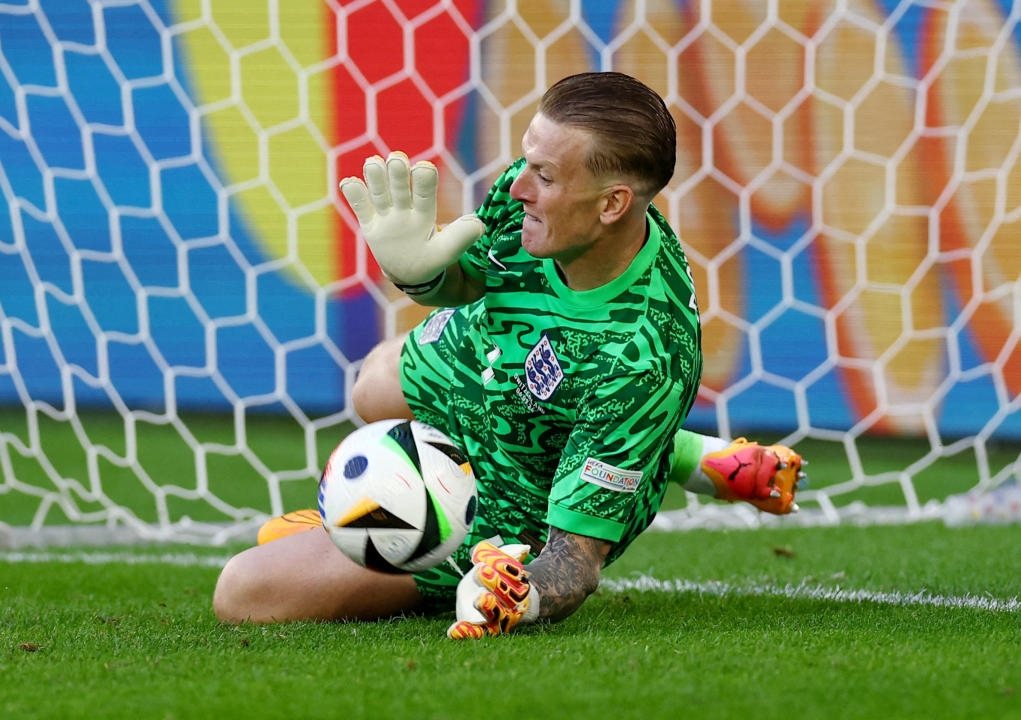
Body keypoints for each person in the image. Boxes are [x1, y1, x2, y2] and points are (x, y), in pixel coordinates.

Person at [213, 72, 804, 638]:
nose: (518, 185)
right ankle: (675, 449)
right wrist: (417, 275)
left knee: (243, 593)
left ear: (612, 205)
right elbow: (471, 280)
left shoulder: (642, 360)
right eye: (527, 159)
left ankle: (638, 452)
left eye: (544, 175)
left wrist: (521, 595)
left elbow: (576, 561)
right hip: (494, 354)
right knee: (373, 385)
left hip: (522, 497)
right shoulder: (537, 196)